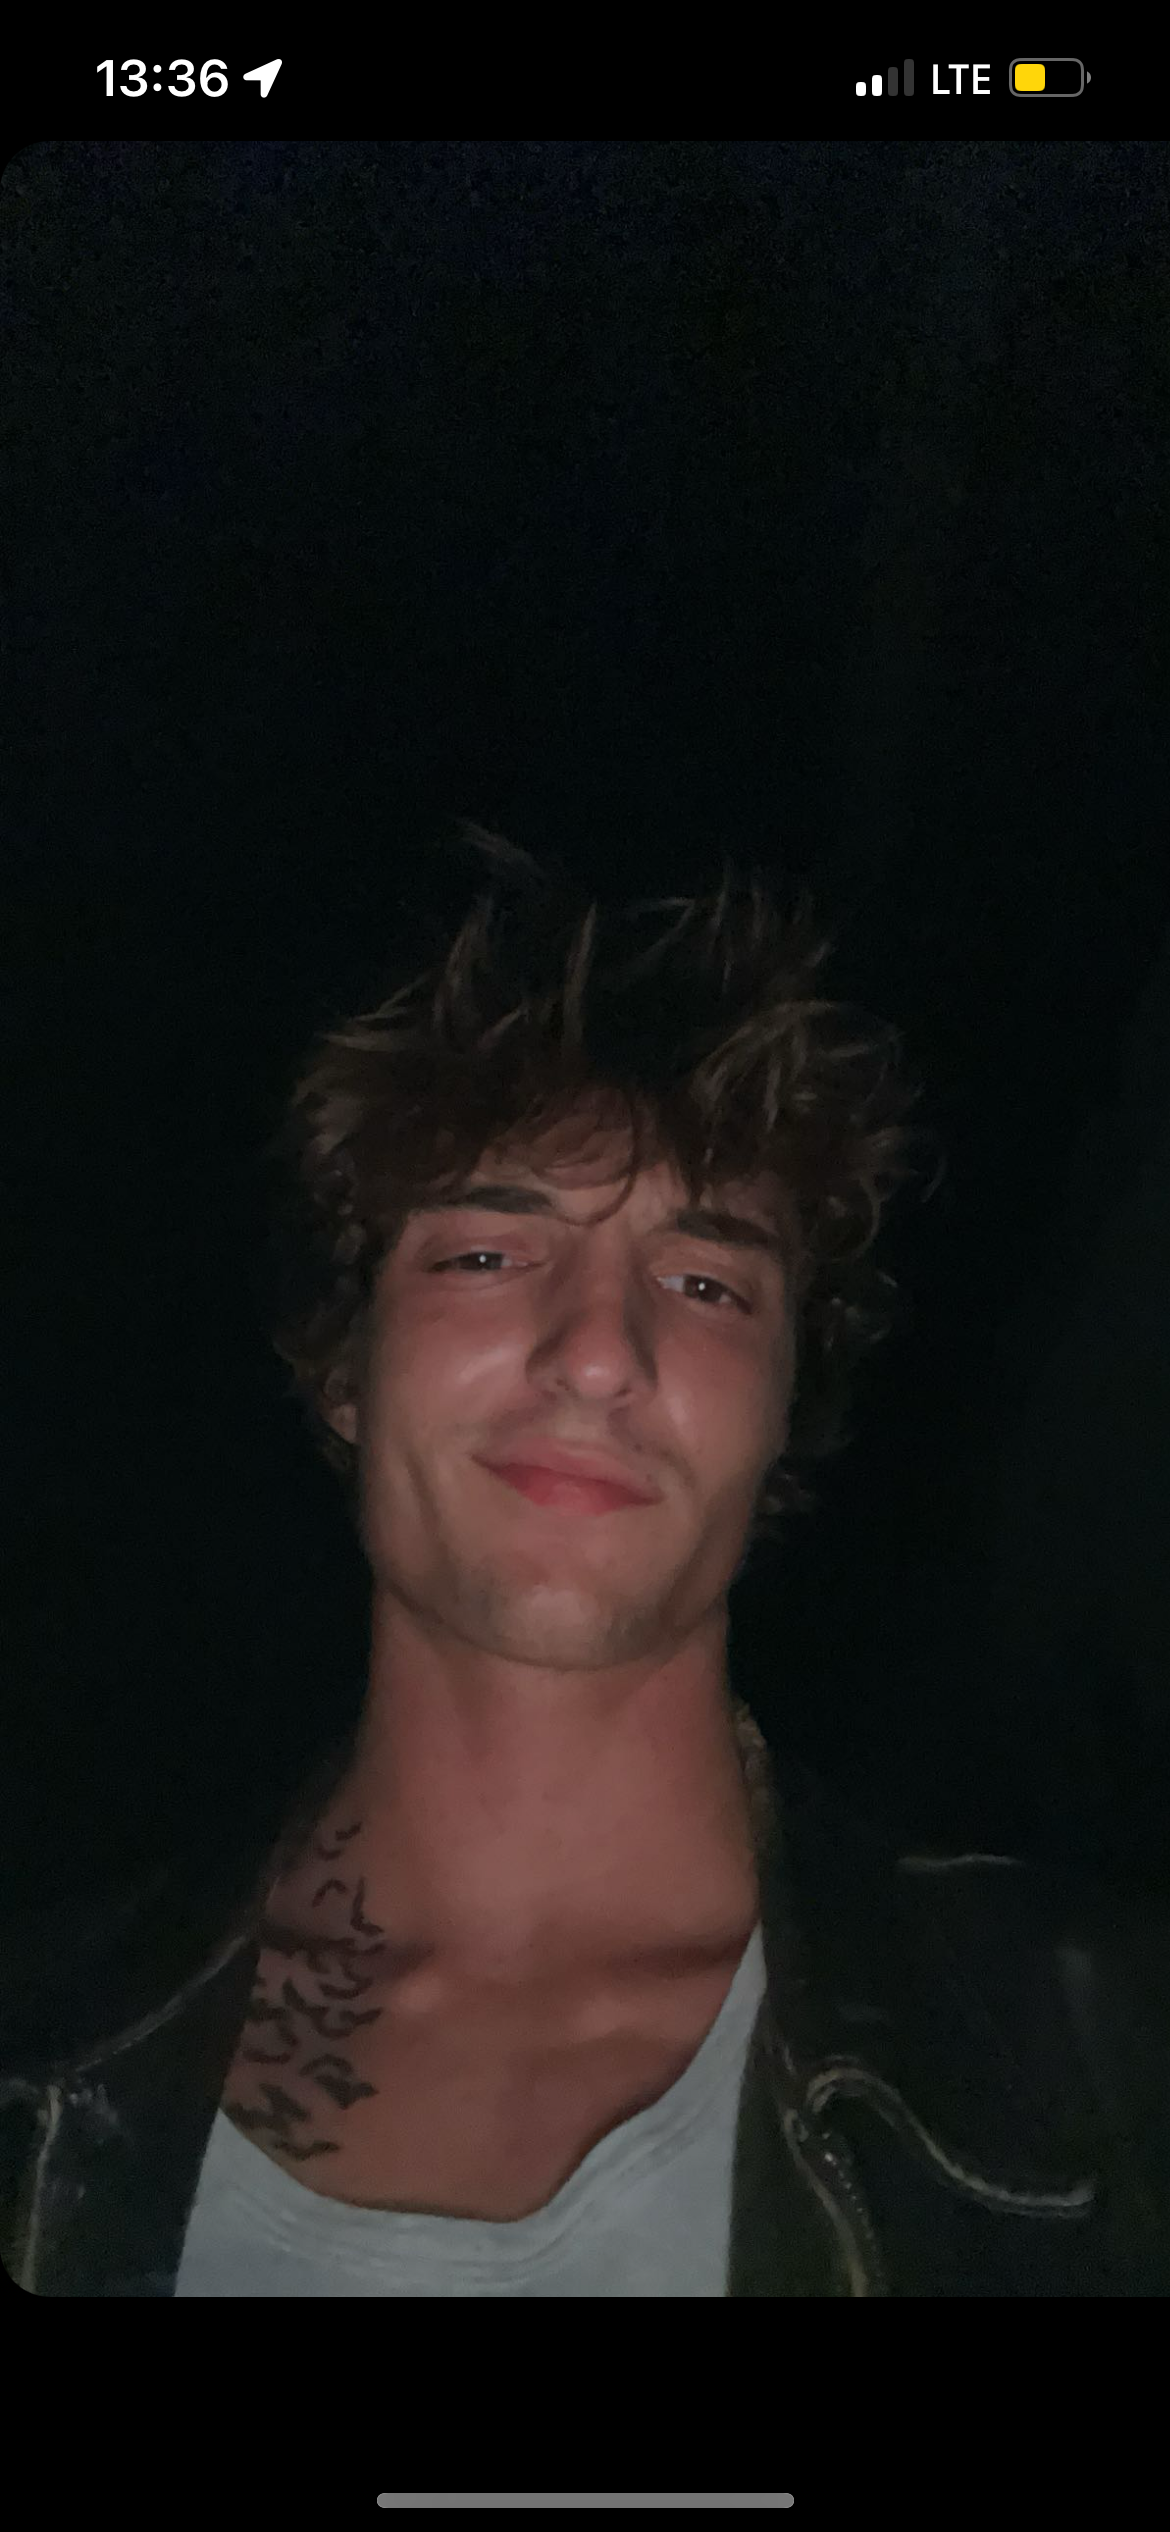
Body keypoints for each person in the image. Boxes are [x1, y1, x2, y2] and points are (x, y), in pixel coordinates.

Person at [0, 827, 1155, 2293]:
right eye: (486, 1255)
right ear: (345, 1363)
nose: (601, 1353)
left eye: (705, 1282)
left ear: (784, 1407)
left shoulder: (1096, 2064)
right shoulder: (40, 2056)